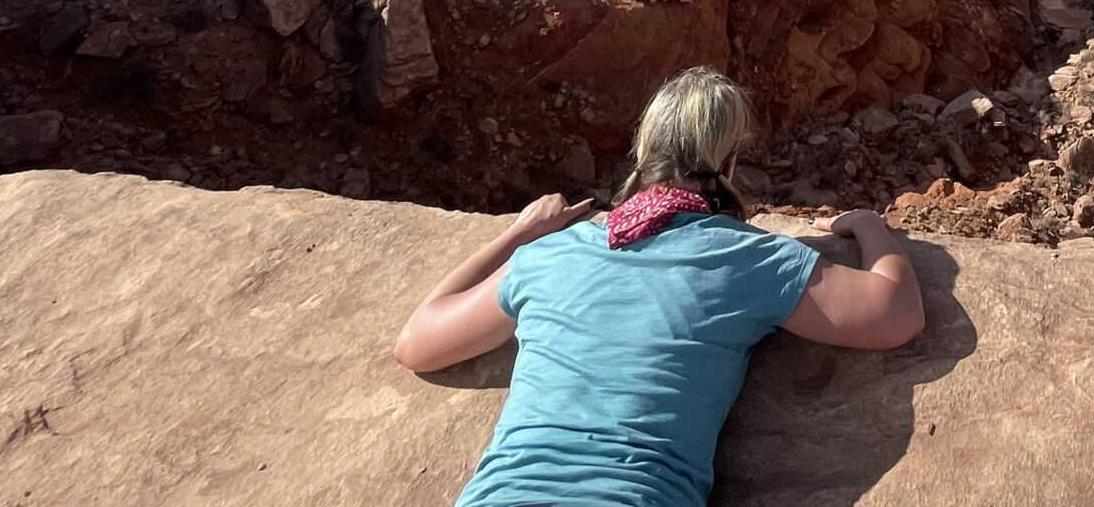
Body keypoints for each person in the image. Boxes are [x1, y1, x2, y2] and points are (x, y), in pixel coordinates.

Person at [395, 66, 926, 507]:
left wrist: (518, 234)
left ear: (643, 155)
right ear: (729, 164)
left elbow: (418, 344)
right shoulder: (744, 259)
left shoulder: (547, 255)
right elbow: (896, 313)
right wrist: (870, 227)